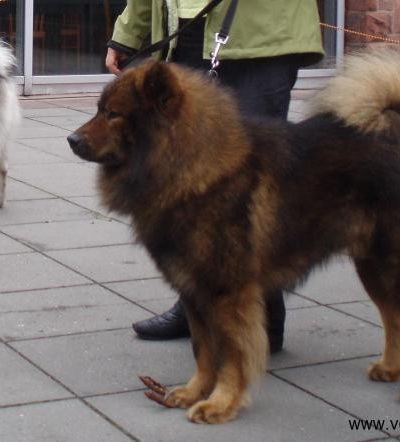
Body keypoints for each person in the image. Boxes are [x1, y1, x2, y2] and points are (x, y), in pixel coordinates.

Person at [105, 0, 324, 353]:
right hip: (186, 32)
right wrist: (129, 31)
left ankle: (265, 318)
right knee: (186, 187)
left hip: (260, 37)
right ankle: (194, 306)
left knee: (250, 185)